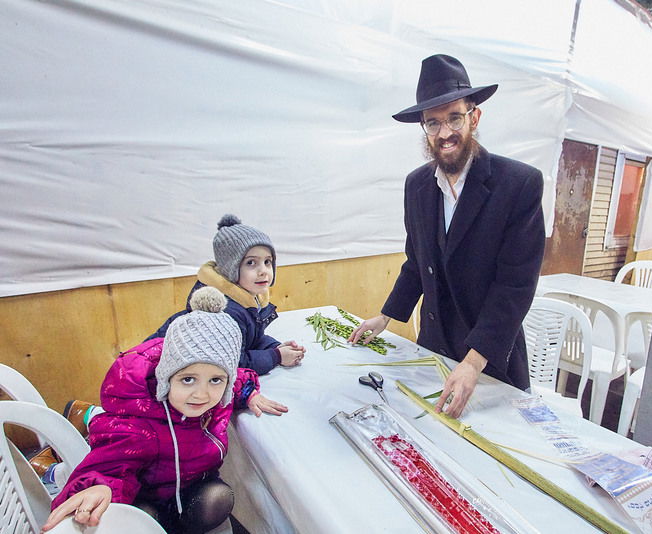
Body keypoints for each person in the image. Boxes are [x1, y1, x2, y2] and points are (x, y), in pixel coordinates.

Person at [348, 54, 545, 418]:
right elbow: (417, 262)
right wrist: (386, 316)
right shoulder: (417, 185)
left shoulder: (518, 184)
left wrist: (473, 362)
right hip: (433, 349)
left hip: (490, 358)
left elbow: (515, 286)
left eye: (454, 117)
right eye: (433, 123)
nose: (445, 133)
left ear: (474, 116)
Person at [42, 287, 287, 533]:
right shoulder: (140, 424)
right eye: (188, 379)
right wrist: (99, 486)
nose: (201, 394)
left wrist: (249, 393)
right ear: (166, 377)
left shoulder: (219, 396)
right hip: (143, 496)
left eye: (215, 380)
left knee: (218, 497)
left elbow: (237, 380)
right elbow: (108, 466)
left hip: (189, 488)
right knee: (140, 518)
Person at [148, 214, 306, 375]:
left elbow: (249, 339)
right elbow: (231, 362)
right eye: (251, 263)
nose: (263, 271)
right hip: (154, 375)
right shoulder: (223, 312)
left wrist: (274, 347)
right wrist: (276, 357)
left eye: (267, 261)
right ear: (230, 268)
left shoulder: (248, 297)